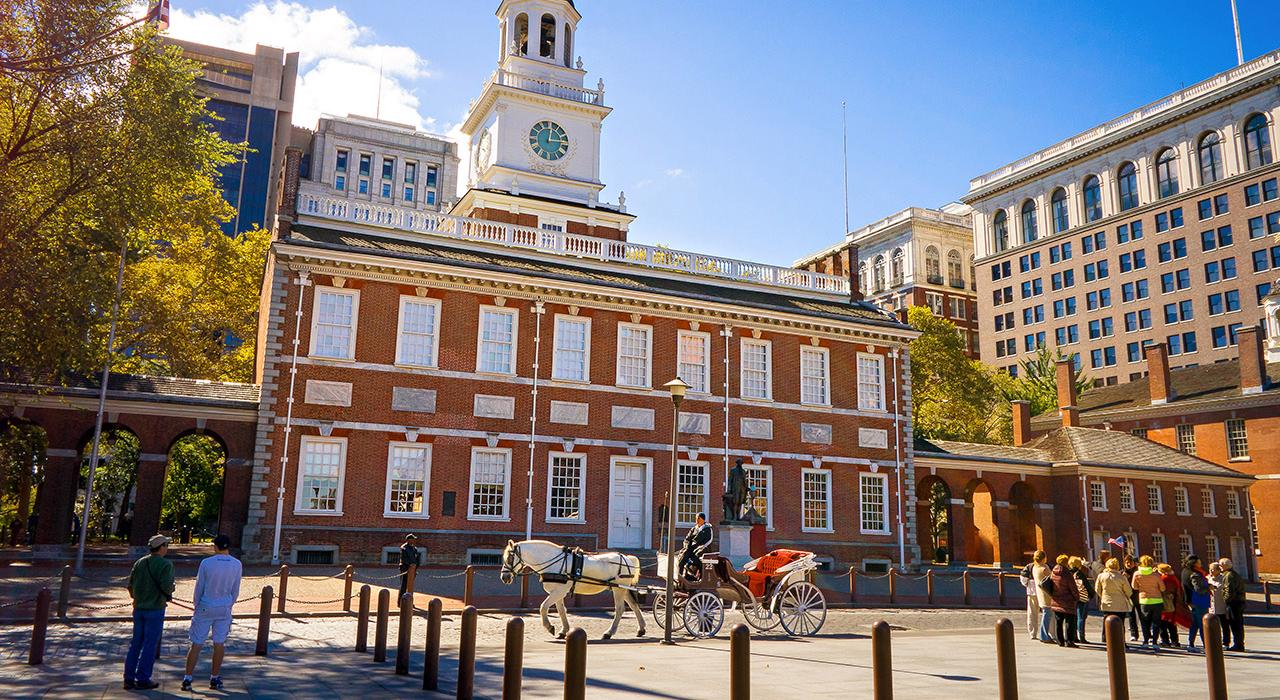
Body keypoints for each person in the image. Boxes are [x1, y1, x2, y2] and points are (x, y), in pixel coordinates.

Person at [182, 534, 242, 691]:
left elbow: (199, 586)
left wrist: (196, 605)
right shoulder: (237, 564)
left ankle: (188, 678)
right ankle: (214, 677)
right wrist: (230, 604)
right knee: (219, 643)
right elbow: (236, 589)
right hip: (224, 606)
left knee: (196, 643)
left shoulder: (207, 563)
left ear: (215, 547)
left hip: (206, 604)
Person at [124, 534, 175, 690]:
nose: (167, 548)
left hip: (138, 608)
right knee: (149, 644)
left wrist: (138, 597)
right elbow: (167, 586)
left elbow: (130, 584)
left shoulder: (140, 562)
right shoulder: (166, 564)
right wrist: (171, 589)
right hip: (155, 608)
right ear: (161, 547)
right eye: (166, 545)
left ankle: (128, 677)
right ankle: (143, 677)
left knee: (136, 643)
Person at [1095, 557, 1134, 644]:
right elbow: (1129, 591)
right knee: (1120, 623)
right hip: (1120, 604)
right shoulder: (1121, 577)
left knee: (1106, 622)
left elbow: (1097, 589)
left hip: (1107, 603)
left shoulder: (1101, 576)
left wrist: (1103, 596)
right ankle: (1121, 641)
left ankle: (1106, 640)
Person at [1131, 555, 1166, 651]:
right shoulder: (1156, 575)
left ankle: (1145, 641)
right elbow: (1163, 588)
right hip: (1157, 600)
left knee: (1145, 622)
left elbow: (1134, 587)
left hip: (1144, 600)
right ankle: (1154, 641)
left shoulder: (1137, 574)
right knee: (1156, 622)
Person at [1048, 554, 1080, 647]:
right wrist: (1077, 597)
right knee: (1069, 622)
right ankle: (1069, 641)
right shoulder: (1067, 574)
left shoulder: (1053, 572)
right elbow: (1073, 588)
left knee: (1059, 622)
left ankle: (1060, 640)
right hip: (1068, 601)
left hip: (1056, 600)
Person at [1182, 555, 1211, 653]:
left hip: (1192, 600)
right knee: (1203, 624)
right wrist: (1209, 587)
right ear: (1194, 563)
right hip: (1199, 600)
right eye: (1199, 562)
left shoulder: (1185, 572)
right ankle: (1206, 645)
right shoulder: (1195, 574)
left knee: (1194, 624)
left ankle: (1191, 643)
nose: (1201, 563)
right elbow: (1198, 588)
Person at [1020, 552, 1050, 641]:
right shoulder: (1045, 567)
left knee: (1032, 613)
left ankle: (1032, 633)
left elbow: (1023, 579)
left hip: (1032, 592)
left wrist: (1028, 585)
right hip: (1043, 593)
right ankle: (1049, 633)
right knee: (1047, 613)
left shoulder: (1029, 567)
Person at [1220, 558, 1246, 651]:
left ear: (1225, 566)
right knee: (1238, 624)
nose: (1219, 567)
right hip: (1239, 601)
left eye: (1220, 565)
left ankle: (1238, 645)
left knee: (1235, 624)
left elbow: (1229, 591)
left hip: (1234, 603)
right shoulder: (1234, 574)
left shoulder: (1229, 576)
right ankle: (1239, 643)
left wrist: (1226, 601)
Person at [1157, 563, 1184, 648]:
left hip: (1165, 602)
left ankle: (1165, 641)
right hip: (1173, 602)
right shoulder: (1174, 578)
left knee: (1163, 623)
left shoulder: (1164, 578)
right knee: (1172, 623)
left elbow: (1162, 589)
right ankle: (1175, 641)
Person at [678, 513, 713, 581]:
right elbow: (687, 539)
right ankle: (680, 575)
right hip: (692, 548)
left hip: (703, 549)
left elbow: (700, 541)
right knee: (682, 556)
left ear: (703, 519)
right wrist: (686, 545)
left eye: (698, 518)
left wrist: (691, 547)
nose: (696, 520)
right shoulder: (694, 528)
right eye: (696, 518)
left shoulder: (707, 530)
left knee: (692, 558)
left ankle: (692, 576)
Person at [1069, 556, 1093, 643]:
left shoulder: (1069, 573)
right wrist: (1091, 595)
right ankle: (1082, 636)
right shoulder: (1079, 574)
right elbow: (1087, 586)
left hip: (1072, 598)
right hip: (1082, 598)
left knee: (1074, 617)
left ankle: (1074, 636)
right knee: (1081, 617)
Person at [1032, 550, 1054, 643]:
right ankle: (1044, 635)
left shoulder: (1034, 568)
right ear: (1044, 558)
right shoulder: (1045, 568)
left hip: (1040, 593)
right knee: (1047, 615)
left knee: (1045, 613)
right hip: (1047, 594)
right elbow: (1052, 579)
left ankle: (1044, 634)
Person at [1207, 561, 1230, 647]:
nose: (1211, 571)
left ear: (1218, 570)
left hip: (1221, 606)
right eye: (1210, 569)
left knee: (1224, 625)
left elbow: (1224, 590)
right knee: (1212, 627)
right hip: (1212, 607)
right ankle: (1214, 641)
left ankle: (1226, 642)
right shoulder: (1208, 578)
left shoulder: (1223, 578)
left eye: (1212, 570)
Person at [1122, 555, 1140, 641]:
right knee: (1131, 615)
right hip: (1128, 596)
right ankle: (1134, 634)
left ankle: (1147, 634)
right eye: (1126, 562)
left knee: (1142, 615)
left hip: (1138, 595)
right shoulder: (1123, 573)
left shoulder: (1137, 572)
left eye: (1130, 562)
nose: (1128, 564)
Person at [398, 534, 421, 599]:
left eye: (414, 539)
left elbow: (417, 558)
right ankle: (401, 601)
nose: (414, 540)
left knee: (410, 585)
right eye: (412, 539)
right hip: (405, 569)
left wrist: (416, 566)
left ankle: (409, 600)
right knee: (404, 585)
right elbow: (404, 559)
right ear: (408, 540)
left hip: (413, 569)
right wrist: (410, 564)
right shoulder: (404, 548)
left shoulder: (414, 548)